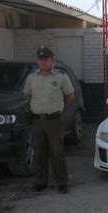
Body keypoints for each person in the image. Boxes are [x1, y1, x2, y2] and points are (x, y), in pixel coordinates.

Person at [23, 45, 75, 194]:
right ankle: (40, 182)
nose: (43, 62)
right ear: (37, 61)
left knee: (57, 153)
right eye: (40, 59)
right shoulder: (31, 78)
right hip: (37, 121)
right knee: (39, 152)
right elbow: (27, 96)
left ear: (52, 60)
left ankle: (62, 183)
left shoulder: (60, 78)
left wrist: (58, 107)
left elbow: (70, 96)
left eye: (46, 59)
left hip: (54, 121)